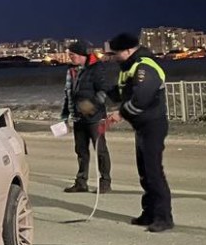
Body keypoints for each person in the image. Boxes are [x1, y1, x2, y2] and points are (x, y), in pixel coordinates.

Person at [106, 32, 174, 232]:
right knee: (145, 173)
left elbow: (142, 98)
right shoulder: (129, 67)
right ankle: (149, 213)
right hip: (142, 126)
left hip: (153, 125)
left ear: (127, 50)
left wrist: (121, 113)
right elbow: (121, 91)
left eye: (116, 53)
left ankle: (164, 218)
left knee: (154, 172)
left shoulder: (145, 66)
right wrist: (100, 96)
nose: (114, 57)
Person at [59, 41, 114, 194]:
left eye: (73, 55)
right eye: (69, 55)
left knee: (100, 150)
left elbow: (104, 91)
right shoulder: (71, 71)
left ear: (81, 55)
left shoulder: (96, 69)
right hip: (78, 118)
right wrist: (65, 115)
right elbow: (68, 95)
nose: (70, 57)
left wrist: (91, 106)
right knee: (81, 150)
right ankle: (81, 182)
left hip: (95, 117)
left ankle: (105, 182)